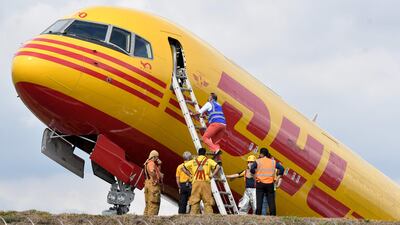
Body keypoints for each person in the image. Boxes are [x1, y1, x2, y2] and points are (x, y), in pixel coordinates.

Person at [182, 147, 221, 214]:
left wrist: (190, 175)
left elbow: (183, 167)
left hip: (195, 182)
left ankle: (193, 217)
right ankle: (209, 217)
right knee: (207, 201)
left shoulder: (193, 161)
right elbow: (218, 166)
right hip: (206, 182)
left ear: (198, 153)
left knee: (194, 201)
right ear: (205, 154)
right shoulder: (208, 161)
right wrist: (212, 175)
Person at [250, 148, 284, 216]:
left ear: (261, 154)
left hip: (260, 183)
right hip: (270, 184)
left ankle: (258, 215)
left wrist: (255, 175)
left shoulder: (258, 161)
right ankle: (273, 215)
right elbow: (282, 168)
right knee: (271, 202)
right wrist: (278, 177)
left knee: (259, 201)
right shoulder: (272, 162)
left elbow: (252, 169)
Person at [143, 150, 163, 216]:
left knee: (148, 204)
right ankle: (151, 221)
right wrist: (155, 180)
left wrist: (159, 164)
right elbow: (152, 172)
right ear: (154, 157)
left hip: (147, 183)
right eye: (157, 157)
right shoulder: (151, 163)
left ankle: (145, 221)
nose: (157, 159)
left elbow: (156, 171)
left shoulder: (147, 163)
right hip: (152, 185)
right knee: (154, 204)